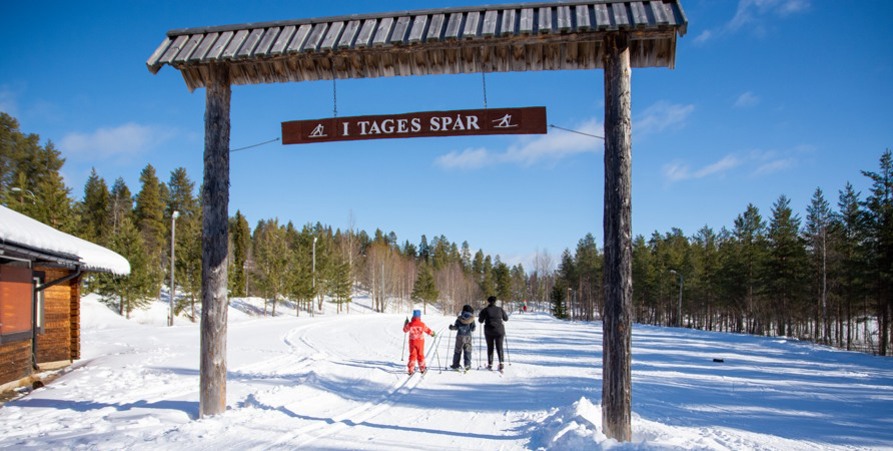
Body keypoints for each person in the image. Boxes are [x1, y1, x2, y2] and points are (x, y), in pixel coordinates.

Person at [478, 295, 508, 371]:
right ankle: (501, 363)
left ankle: (490, 364)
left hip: (489, 330)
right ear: (495, 302)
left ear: (488, 301)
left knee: (490, 347)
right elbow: (506, 319)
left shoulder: (485, 310)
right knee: (499, 346)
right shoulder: (500, 309)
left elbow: (480, 321)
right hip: (499, 330)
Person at [403, 309, 435, 375]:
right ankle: (422, 368)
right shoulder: (422, 324)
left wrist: (405, 324)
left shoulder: (410, 324)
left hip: (412, 342)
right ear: (419, 316)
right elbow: (427, 330)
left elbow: (405, 330)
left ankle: (411, 369)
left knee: (412, 355)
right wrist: (432, 333)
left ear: (413, 316)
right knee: (420, 354)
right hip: (420, 342)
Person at [448, 304, 476, 371]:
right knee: (468, 351)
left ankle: (455, 365)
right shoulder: (472, 319)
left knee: (458, 350)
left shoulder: (459, 318)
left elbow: (456, 327)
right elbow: (473, 329)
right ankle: (467, 365)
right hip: (468, 337)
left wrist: (451, 327)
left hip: (460, 336)